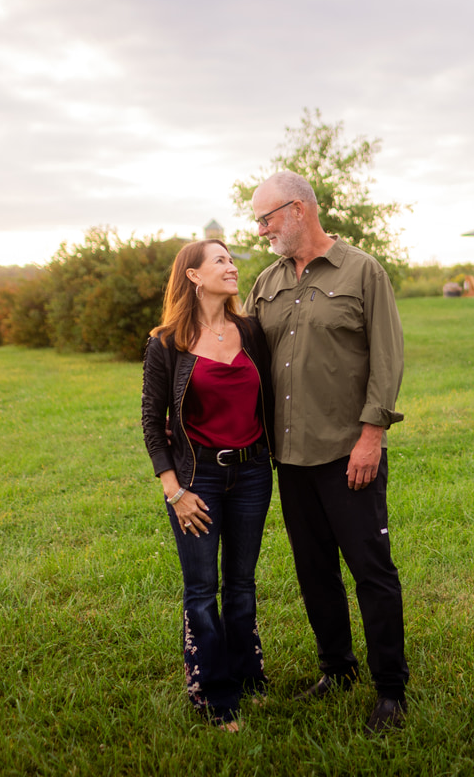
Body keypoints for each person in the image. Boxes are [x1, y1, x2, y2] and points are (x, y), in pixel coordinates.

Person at [246, 171, 410, 734]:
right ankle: (336, 669)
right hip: (289, 457)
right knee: (314, 571)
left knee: (371, 571)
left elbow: (387, 359)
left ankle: (391, 690)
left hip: (348, 453)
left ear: (297, 210)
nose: (260, 229)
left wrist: (372, 436)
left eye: (266, 218)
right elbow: (239, 356)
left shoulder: (363, 271)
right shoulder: (265, 282)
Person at [140, 238, 276, 732]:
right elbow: (153, 423)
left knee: (242, 585)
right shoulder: (166, 343)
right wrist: (174, 491)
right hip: (198, 479)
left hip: (253, 473)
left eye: (232, 259)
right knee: (202, 590)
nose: (232, 266)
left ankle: (247, 678)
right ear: (193, 275)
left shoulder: (250, 331)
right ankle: (216, 697)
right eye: (220, 260)